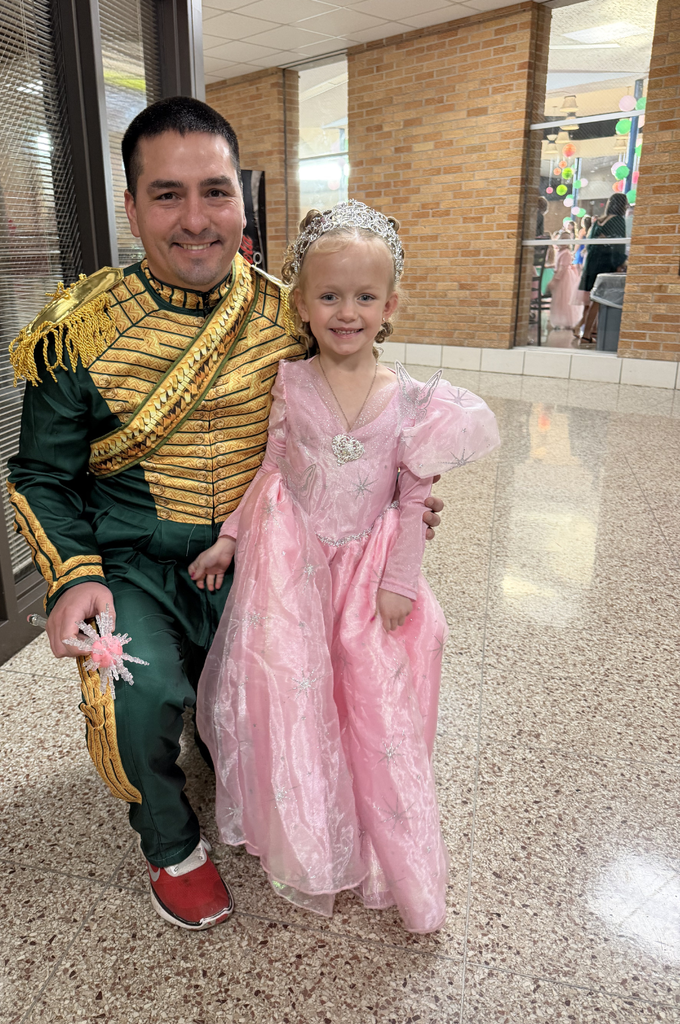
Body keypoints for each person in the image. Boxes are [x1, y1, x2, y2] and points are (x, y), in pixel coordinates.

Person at [6, 99, 444, 932]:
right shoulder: (77, 332)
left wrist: (396, 495)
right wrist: (72, 578)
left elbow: (358, 412)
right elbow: (39, 474)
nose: (196, 219)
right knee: (132, 695)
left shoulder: (292, 309)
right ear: (131, 208)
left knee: (288, 700)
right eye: (167, 195)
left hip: (274, 559)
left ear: (243, 201)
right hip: (136, 562)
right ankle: (171, 845)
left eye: (215, 192)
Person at [191, 202, 500, 932]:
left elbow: (412, 496)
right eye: (328, 296)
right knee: (298, 701)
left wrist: (398, 581)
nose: (346, 312)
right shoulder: (288, 382)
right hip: (292, 573)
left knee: (370, 708)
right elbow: (270, 469)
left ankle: (372, 841)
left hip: (367, 579)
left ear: (390, 305)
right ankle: (302, 832)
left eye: (364, 297)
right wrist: (232, 538)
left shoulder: (418, 402)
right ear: (300, 302)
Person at [575, 194, 628, 343]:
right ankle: (586, 332)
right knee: (599, 298)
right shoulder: (618, 221)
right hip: (606, 262)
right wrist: (620, 263)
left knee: (595, 297)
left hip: (593, 261)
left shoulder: (599, 221)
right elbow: (619, 245)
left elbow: (592, 244)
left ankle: (590, 329)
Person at [548, 230, 582, 330]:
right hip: (560, 275)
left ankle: (568, 321)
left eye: (565, 240)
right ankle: (560, 320)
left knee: (564, 298)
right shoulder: (559, 252)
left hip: (565, 278)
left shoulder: (566, 253)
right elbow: (558, 264)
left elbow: (563, 268)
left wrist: (555, 279)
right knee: (559, 299)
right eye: (561, 239)